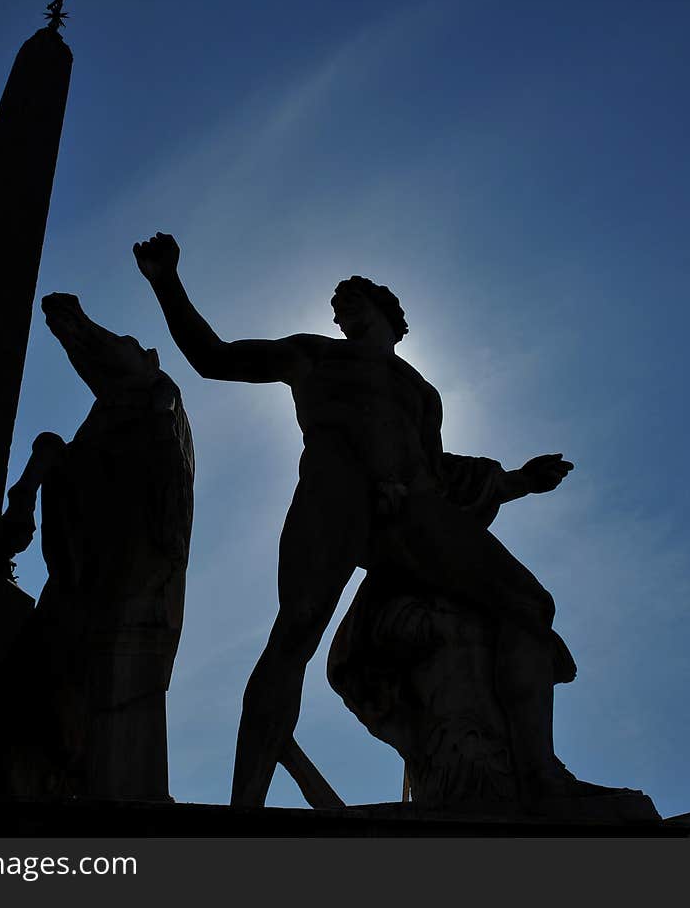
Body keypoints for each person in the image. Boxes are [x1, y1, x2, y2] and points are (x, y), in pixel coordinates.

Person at [134, 232, 577, 807]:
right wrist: (166, 281)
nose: (341, 310)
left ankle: (539, 775)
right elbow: (213, 357)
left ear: (388, 312)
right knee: (294, 632)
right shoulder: (311, 355)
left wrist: (518, 480)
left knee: (529, 604)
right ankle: (245, 805)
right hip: (333, 494)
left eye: (353, 300)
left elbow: (439, 471)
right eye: (338, 305)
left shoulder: (421, 392)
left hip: (415, 510)